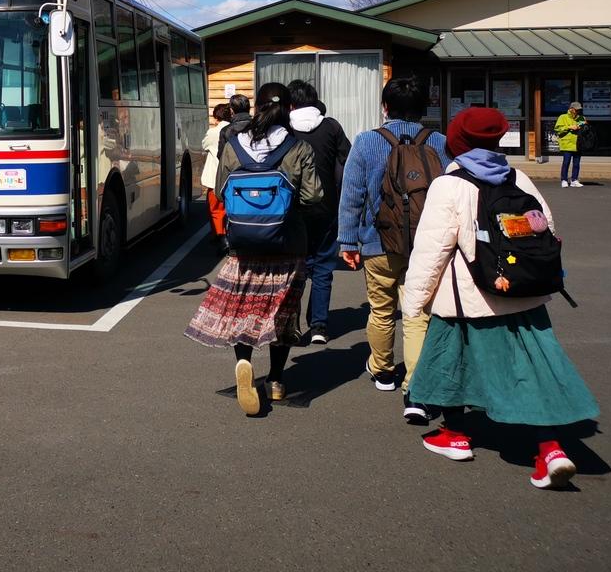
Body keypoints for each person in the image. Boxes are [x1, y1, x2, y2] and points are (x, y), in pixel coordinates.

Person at [402, 107, 598, 489]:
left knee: (452, 363)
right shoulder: (518, 177)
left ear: (456, 141)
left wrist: (414, 301)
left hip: (466, 299)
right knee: (530, 372)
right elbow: (546, 228)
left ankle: (455, 435)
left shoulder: (450, 184)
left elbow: (431, 250)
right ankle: (550, 448)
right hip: (521, 294)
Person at [186, 82, 323, 415]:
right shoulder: (299, 148)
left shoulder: (235, 145)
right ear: (288, 110)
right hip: (288, 243)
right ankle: (276, 380)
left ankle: (244, 362)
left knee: (245, 308)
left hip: (243, 246)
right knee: (282, 312)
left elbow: (221, 188)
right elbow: (313, 195)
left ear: (256, 108)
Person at [338, 75, 452, 423]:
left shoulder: (366, 141)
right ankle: (415, 388)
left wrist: (348, 241)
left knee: (381, 309)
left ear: (385, 106)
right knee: (417, 315)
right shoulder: (439, 142)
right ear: (424, 108)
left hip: (378, 242)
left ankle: (383, 370)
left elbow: (352, 195)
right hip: (426, 245)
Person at [288, 80, 351, 346]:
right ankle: (319, 326)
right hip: (327, 207)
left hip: (292, 210)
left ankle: (290, 325)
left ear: (291, 104)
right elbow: (347, 159)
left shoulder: (285, 127)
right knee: (324, 267)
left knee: (294, 267)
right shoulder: (331, 126)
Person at [201, 103, 234, 247]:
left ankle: (220, 236)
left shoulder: (213, 132)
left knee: (216, 209)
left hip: (215, 176)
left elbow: (204, 145)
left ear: (216, 117)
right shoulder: (235, 129)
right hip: (232, 174)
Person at [553, 102, 587, 188]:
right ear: (571, 109)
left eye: (579, 110)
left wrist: (584, 125)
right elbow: (557, 129)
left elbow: (585, 130)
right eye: (576, 109)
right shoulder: (563, 117)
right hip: (567, 143)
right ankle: (564, 180)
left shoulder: (580, 118)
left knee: (576, 163)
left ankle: (574, 180)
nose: (578, 111)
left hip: (578, 143)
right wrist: (569, 127)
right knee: (566, 162)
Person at [216, 93, 252, 157]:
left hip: (234, 163)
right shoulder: (259, 126)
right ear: (249, 108)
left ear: (231, 110)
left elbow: (221, 155)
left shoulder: (226, 130)